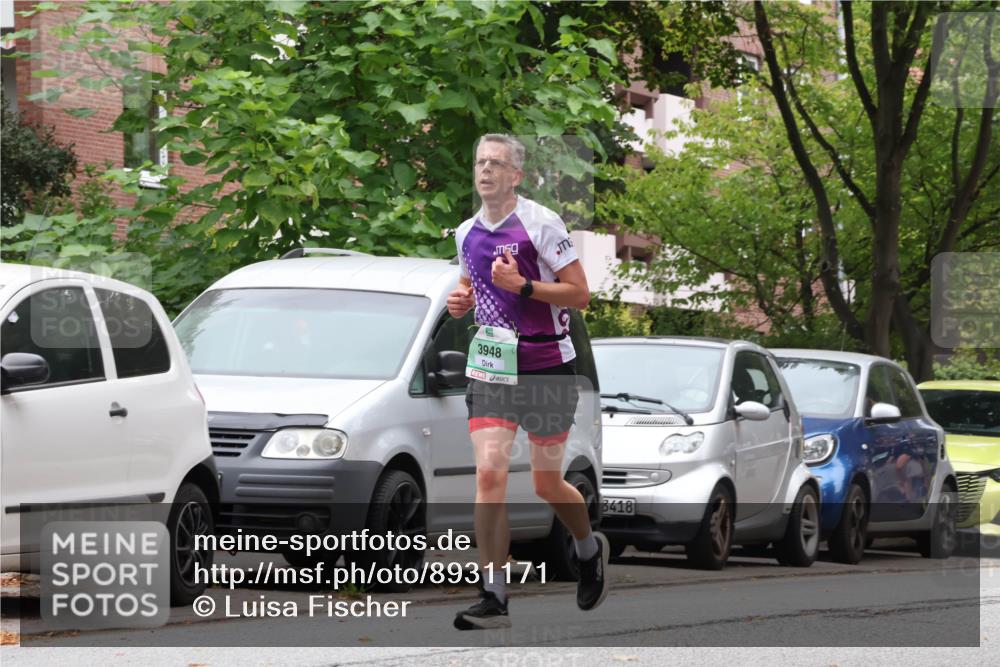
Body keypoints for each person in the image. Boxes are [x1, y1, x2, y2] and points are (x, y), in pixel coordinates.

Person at [448, 134, 608, 630]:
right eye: (480, 162)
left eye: (496, 163)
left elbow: (580, 294)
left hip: (544, 365)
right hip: (493, 365)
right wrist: (462, 300)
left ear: (515, 175)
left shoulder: (541, 224)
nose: (485, 171)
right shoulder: (465, 232)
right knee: (489, 474)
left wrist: (527, 287)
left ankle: (586, 548)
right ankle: (493, 596)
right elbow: (472, 284)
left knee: (546, 483)